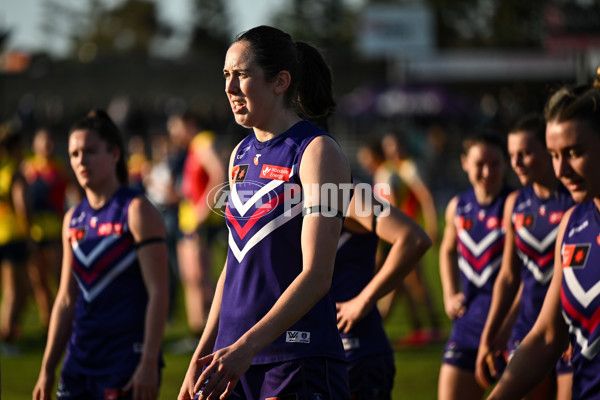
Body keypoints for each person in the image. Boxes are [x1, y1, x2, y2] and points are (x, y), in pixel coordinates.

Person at [178, 25, 352, 400]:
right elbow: (234, 263)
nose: (229, 87)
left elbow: (318, 275)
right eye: (226, 75)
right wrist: (202, 353)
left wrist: (248, 347)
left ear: (280, 82)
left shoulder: (317, 151)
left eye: (241, 75)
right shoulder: (239, 155)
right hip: (231, 359)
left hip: (295, 359)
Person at [33, 109, 169, 400]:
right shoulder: (72, 219)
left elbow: (159, 292)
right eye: (74, 153)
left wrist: (148, 362)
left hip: (125, 360)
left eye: (91, 151)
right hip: (79, 359)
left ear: (115, 154)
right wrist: (47, 369)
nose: (81, 161)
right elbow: (66, 299)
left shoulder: (137, 210)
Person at [487, 68, 600, 400]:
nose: (561, 170)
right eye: (554, 156)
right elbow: (548, 335)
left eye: (575, 153)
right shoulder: (573, 224)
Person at [475, 114, 574, 399]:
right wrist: (490, 337)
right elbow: (510, 276)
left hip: (570, 332)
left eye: (526, 153)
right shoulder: (515, 204)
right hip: (529, 330)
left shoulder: (576, 201)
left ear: (548, 149)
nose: (516, 163)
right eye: (512, 155)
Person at [333, 182, 432, 399]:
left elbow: (413, 239)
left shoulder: (344, 194)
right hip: (310, 351)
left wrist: (363, 300)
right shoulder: (293, 196)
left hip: (357, 351)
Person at [438, 131, 512, 400]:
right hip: (467, 325)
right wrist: (449, 294)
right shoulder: (458, 206)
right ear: (464, 163)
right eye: (479, 163)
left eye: (495, 164)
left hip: (512, 328)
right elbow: (446, 250)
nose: (487, 172)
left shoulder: (516, 205)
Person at [378, 132, 443, 346]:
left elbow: (425, 196)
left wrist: (432, 225)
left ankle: (433, 327)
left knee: (415, 281)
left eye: (395, 145)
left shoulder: (409, 167)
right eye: (388, 146)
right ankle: (420, 327)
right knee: (405, 283)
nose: (392, 151)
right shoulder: (389, 169)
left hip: (407, 232)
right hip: (393, 233)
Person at [167, 111, 225, 340]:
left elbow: (219, 173)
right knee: (191, 279)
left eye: (176, 127)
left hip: (200, 223)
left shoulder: (203, 142)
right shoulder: (191, 148)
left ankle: (212, 334)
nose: (172, 133)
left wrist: (202, 210)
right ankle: (196, 334)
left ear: (188, 124)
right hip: (187, 221)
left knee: (201, 279)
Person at [22, 127, 69, 331]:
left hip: (55, 230)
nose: (47, 145)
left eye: (50, 140)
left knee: (60, 279)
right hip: (32, 231)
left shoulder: (61, 168)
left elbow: (76, 192)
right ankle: (47, 323)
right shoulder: (27, 167)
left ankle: (65, 322)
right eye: (43, 141)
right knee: (39, 282)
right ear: (35, 145)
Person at [0, 125, 30, 355]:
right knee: (16, 292)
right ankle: (6, 338)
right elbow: (22, 207)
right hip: (14, 236)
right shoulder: (15, 172)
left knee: (12, 290)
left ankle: (9, 332)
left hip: (2, 234)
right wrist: (28, 232)